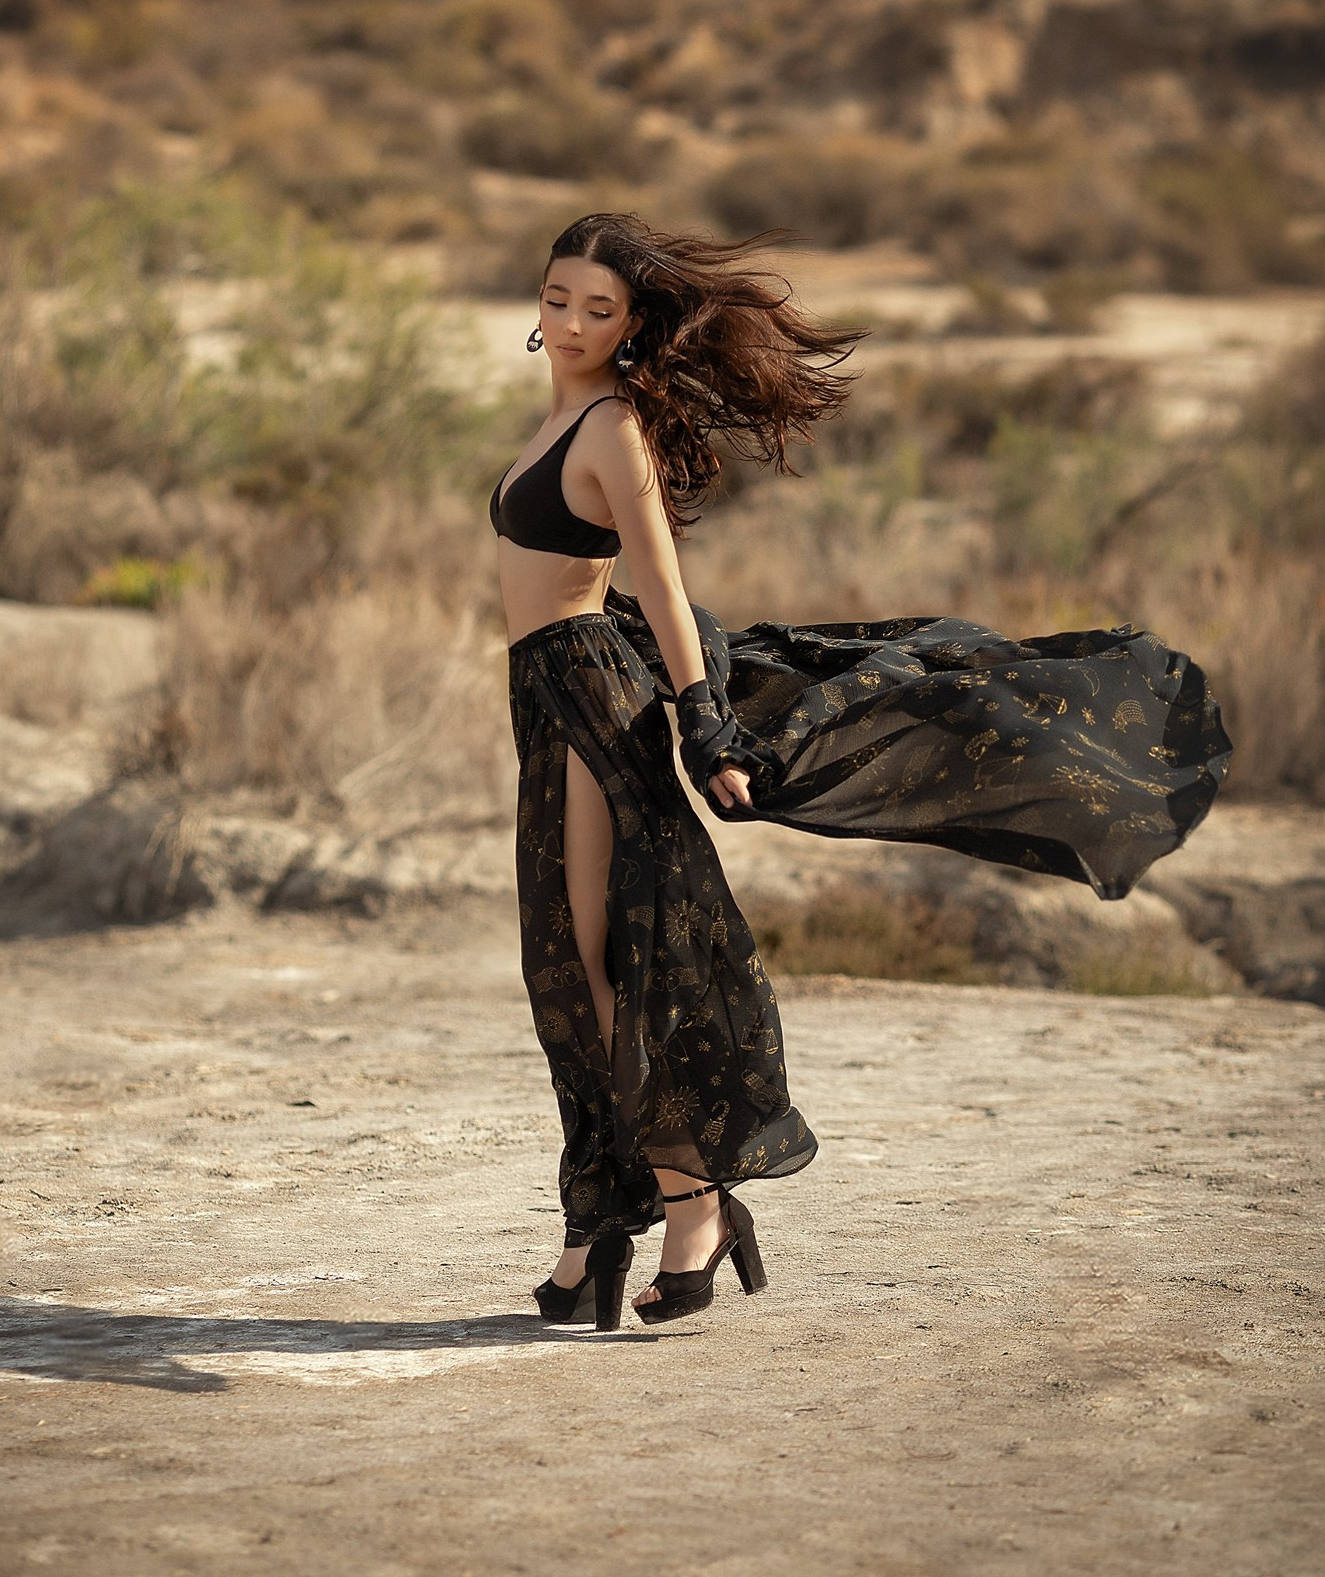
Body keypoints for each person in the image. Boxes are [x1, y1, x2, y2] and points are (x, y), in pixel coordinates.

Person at [493, 214, 1231, 1331]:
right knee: (571, 968)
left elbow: (656, 578)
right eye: (559, 301)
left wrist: (707, 726)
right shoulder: (561, 414)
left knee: (595, 970)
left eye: (601, 310)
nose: (575, 324)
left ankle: (673, 1213)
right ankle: (612, 1226)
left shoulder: (611, 430)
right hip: (551, 697)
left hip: (592, 697)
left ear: (635, 324)